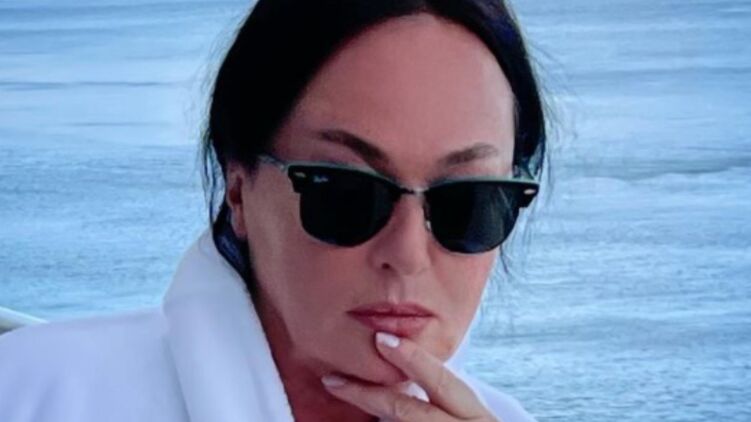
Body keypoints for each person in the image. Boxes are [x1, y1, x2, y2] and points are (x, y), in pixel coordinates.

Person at [0, 0, 547, 421]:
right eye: (345, 195)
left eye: (468, 201)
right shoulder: (34, 392)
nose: (406, 254)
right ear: (238, 190)